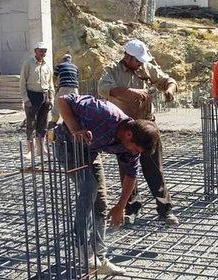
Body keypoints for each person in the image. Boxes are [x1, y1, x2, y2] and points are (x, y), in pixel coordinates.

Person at [54, 94, 160, 276]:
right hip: (67, 145)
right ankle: (80, 245)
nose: (135, 153)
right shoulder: (102, 113)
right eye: (135, 149)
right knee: (89, 186)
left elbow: (131, 174)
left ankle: (98, 258)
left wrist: (120, 206)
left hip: (91, 151)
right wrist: (75, 129)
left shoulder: (132, 146)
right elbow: (63, 99)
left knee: (101, 203)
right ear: (128, 134)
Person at [98, 39, 179, 226]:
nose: (140, 63)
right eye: (137, 60)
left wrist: (169, 90)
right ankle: (132, 207)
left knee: (154, 169)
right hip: (126, 129)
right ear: (127, 56)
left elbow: (168, 80)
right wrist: (130, 92)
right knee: (127, 170)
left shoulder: (146, 67)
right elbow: (104, 88)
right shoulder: (112, 70)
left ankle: (165, 208)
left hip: (147, 126)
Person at [19, 42, 54, 157]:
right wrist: (26, 99)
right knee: (31, 124)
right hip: (32, 96)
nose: (43, 53)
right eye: (41, 50)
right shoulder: (28, 64)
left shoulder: (46, 66)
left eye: (45, 51)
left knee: (43, 124)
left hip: (44, 96)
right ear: (35, 51)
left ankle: (41, 149)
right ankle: (30, 151)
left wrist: (51, 98)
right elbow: (22, 82)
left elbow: (50, 83)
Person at [50, 54, 79, 125]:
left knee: (57, 102)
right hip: (75, 88)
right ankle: (74, 121)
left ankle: (54, 120)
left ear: (63, 59)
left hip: (64, 87)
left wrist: (53, 86)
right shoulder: (75, 67)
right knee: (74, 104)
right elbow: (76, 77)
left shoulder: (60, 66)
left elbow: (54, 77)